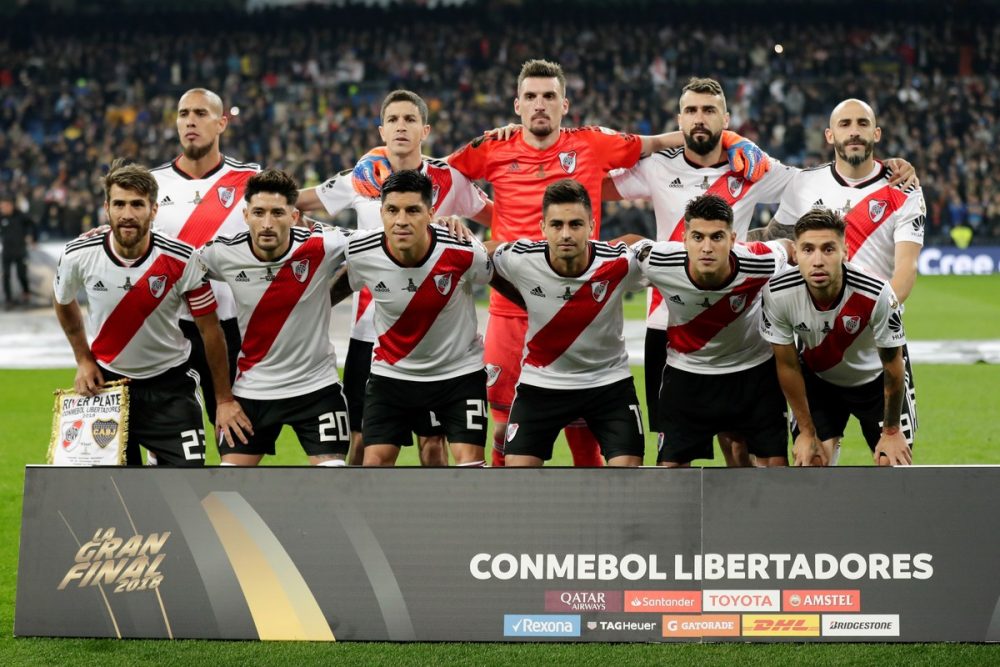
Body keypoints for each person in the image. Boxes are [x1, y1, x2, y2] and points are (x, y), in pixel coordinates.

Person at [448, 59, 769, 468]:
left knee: (586, 440)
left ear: (565, 104)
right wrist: (454, 214)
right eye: (531, 97)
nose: (540, 104)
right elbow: (438, 176)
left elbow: (659, 142)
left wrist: (729, 138)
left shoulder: (592, 143)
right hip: (513, 308)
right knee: (501, 429)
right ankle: (507, 522)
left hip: (582, 307)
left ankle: (598, 527)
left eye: (549, 96)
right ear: (517, 105)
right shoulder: (493, 146)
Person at [605, 79, 916, 465]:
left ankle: (747, 523)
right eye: (691, 111)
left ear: (726, 118)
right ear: (679, 118)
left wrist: (891, 167)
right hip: (668, 323)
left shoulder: (752, 167)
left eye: (709, 111)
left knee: (742, 447)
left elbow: (811, 179)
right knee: (675, 456)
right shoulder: (657, 165)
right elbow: (594, 184)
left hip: (740, 321)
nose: (699, 119)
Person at [298, 89, 492, 466]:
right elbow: (298, 202)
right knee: (360, 444)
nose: (401, 127)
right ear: (381, 130)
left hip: (433, 337)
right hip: (368, 333)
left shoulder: (448, 178)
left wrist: (465, 229)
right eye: (393, 120)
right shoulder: (361, 176)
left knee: (433, 446)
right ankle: (363, 522)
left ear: (426, 129)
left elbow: (499, 217)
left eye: (410, 120)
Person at [754, 98, 925, 462]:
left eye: (862, 123)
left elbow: (906, 270)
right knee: (813, 466)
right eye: (845, 124)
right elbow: (775, 242)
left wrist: (873, 319)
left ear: (876, 133)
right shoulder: (804, 183)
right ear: (830, 134)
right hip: (816, 345)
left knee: (895, 468)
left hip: (876, 346)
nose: (854, 131)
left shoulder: (904, 188)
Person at [53, 160, 249, 466]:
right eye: (119, 204)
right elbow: (63, 301)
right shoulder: (78, 254)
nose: (127, 214)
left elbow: (210, 330)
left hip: (171, 386)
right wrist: (82, 358)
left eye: (137, 205)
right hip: (108, 387)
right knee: (116, 497)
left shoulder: (182, 258)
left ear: (154, 210)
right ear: (107, 208)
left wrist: (223, 398)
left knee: (187, 489)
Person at [198, 169, 351, 466]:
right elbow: (170, 263)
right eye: (259, 212)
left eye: (277, 213)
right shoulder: (221, 253)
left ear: (294, 217)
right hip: (251, 392)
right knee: (227, 492)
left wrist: (444, 225)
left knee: (336, 484)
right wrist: (108, 236)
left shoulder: (323, 244)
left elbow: (386, 243)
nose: (267, 223)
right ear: (246, 215)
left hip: (316, 389)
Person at [341, 170, 491, 467]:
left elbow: (495, 275)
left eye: (413, 210)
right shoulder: (360, 252)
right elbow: (333, 287)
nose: (401, 220)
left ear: (431, 213)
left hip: (458, 374)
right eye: (392, 210)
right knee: (372, 465)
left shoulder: (463, 250)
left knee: (468, 466)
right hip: (392, 375)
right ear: (381, 212)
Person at [489, 180, 645, 467]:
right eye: (557, 224)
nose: (566, 234)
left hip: (608, 383)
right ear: (542, 228)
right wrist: (517, 295)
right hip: (541, 383)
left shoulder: (619, 262)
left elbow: (657, 256)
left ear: (591, 226)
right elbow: (481, 255)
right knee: (517, 473)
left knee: (628, 474)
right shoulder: (521, 259)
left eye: (575, 224)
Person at [634, 194, 792, 467]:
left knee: (773, 472)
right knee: (670, 474)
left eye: (717, 237)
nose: (706, 247)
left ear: (732, 239)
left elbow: (789, 248)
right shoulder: (659, 261)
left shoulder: (760, 260)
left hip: (752, 373)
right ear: (684, 239)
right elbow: (625, 248)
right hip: (687, 376)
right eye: (698, 237)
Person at [760, 209, 913, 466]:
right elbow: (787, 365)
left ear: (845, 251)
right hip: (819, 383)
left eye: (828, 249)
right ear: (795, 255)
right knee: (811, 462)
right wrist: (807, 433)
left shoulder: (877, 293)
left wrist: (891, 431)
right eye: (808, 250)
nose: (818, 260)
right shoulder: (777, 293)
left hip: (875, 382)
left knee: (893, 464)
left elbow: (893, 366)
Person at [150, 88, 260, 435]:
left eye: (200, 113)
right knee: (169, 446)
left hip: (230, 327)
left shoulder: (250, 180)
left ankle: (231, 489)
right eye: (183, 114)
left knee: (237, 439)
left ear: (221, 123)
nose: (190, 121)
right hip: (167, 327)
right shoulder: (151, 183)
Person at [1, 193, 36, 309]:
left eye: (5, 206)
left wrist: (32, 237)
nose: (3, 209)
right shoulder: (1, 217)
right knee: (6, 275)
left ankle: (26, 294)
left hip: (20, 250)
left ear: (11, 205)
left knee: (22, 274)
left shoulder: (21, 216)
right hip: (7, 250)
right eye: (2, 207)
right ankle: (8, 299)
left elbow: (32, 225)